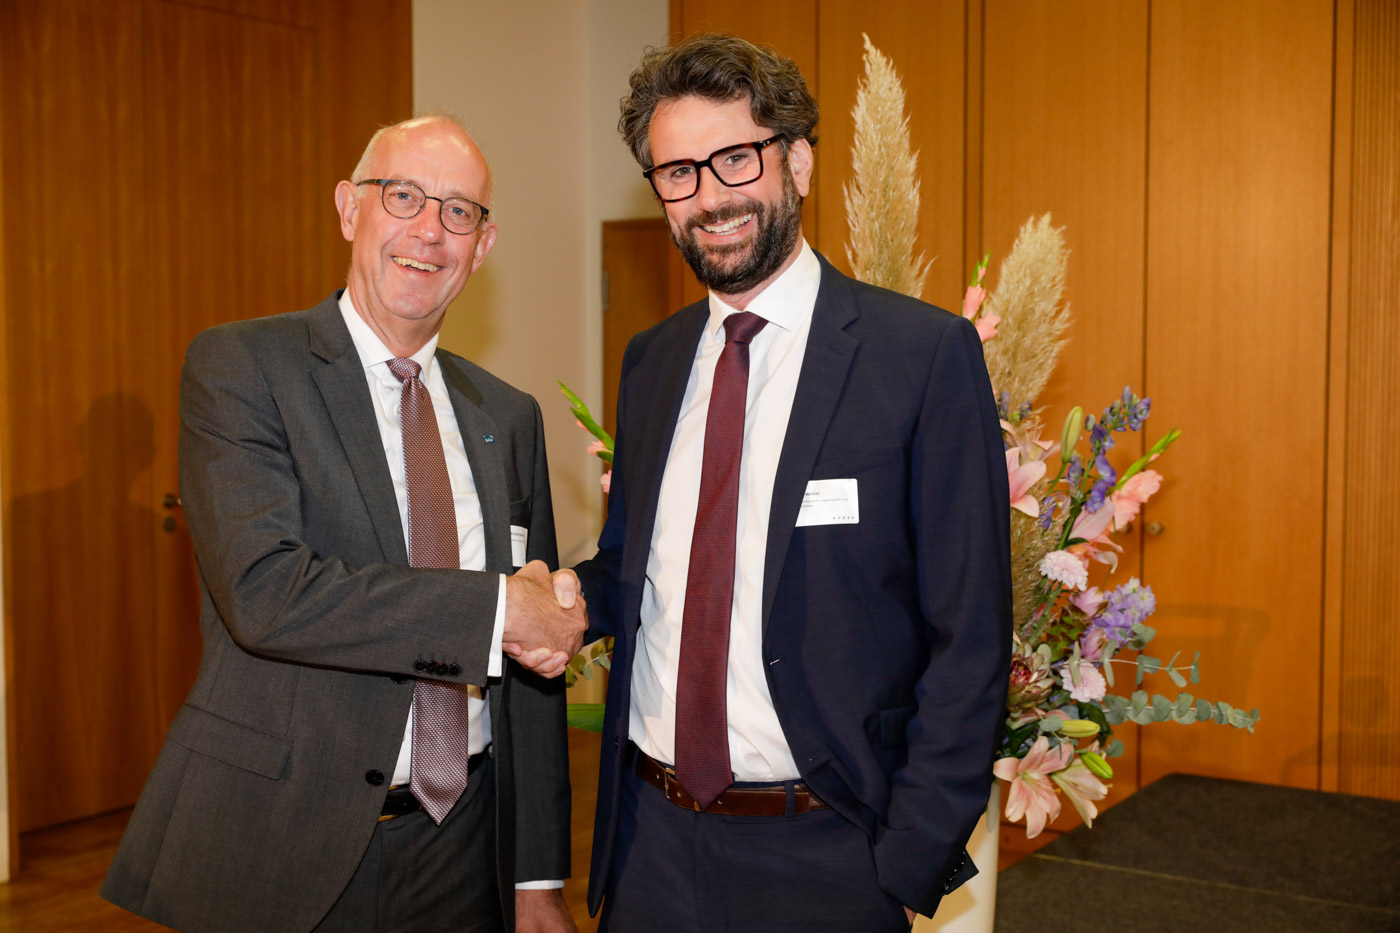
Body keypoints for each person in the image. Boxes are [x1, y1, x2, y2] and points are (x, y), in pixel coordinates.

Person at [559, 34, 1011, 931]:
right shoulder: (650, 364)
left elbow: (972, 632)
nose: (709, 196)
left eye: (735, 158)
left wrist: (906, 859)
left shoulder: (918, 357)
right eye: (677, 172)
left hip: (829, 857)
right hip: (648, 845)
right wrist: (559, 599)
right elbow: (638, 569)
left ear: (797, 161)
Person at [102, 115, 582, 933]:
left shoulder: (510, 415)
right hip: (287, 835)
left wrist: (537, 873)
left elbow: (532, 663)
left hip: (465, 844)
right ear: (349, 209)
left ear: (483, 244)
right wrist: (498, 610)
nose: (429, 230)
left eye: (459, 212)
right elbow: (267, 592)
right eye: (404, 196)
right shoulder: (245, 367)